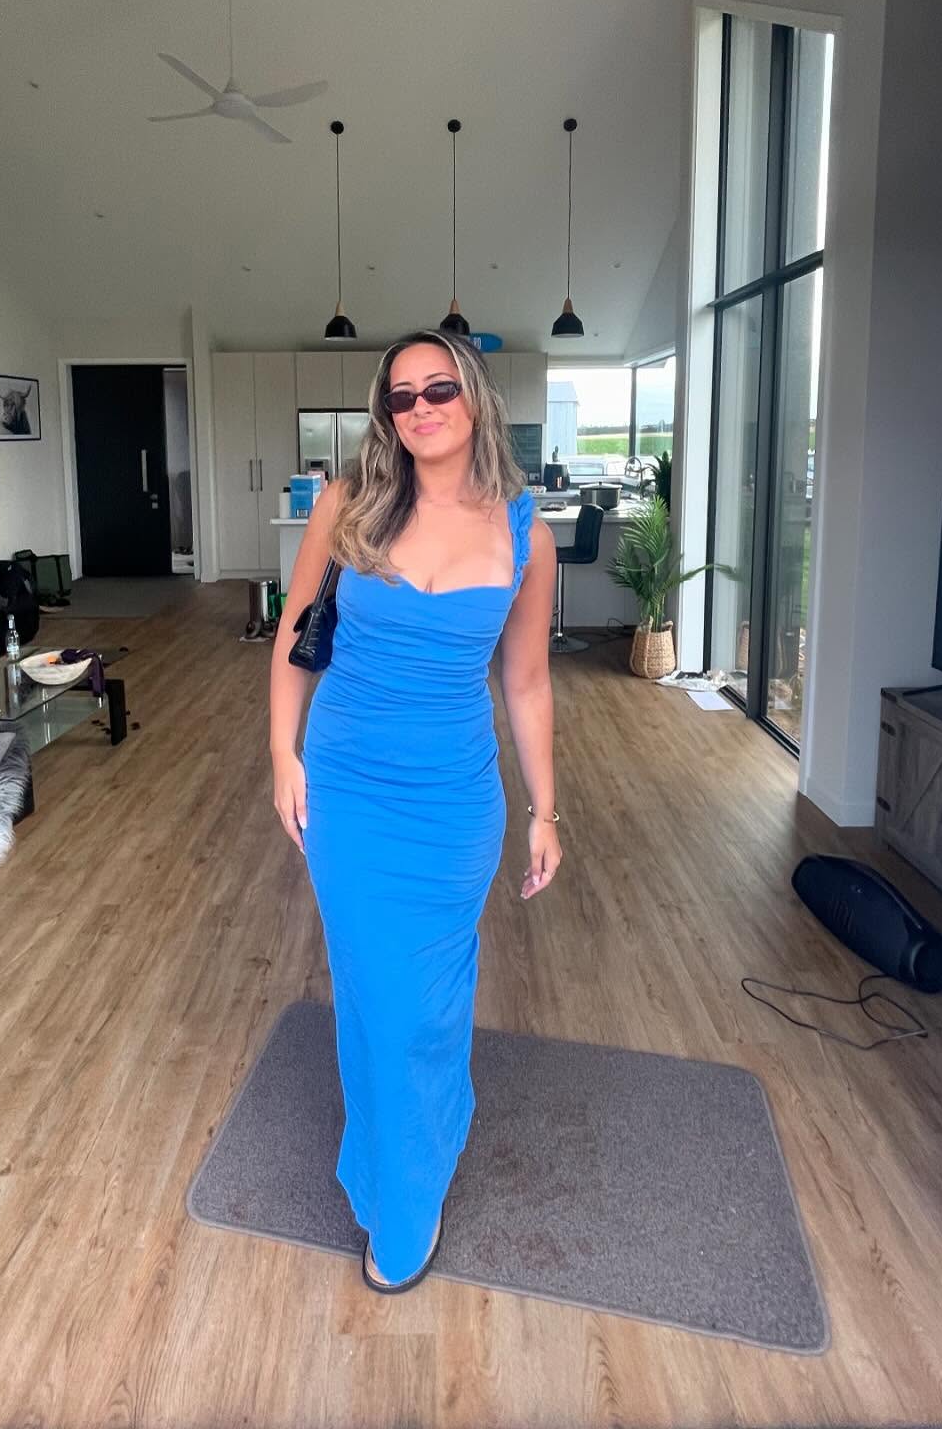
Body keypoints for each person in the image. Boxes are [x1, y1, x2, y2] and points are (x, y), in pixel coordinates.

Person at [268, 329, 561, 1293]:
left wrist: (546, 811)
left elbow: (526, 682)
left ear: (473, 396)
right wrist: (281, 754)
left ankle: (421, 1153)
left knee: (426, 1007)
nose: (421, 407)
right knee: (375, 999)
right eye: (401, 396)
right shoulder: (349, 504)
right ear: (385, 415)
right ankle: (400, 1196)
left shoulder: (525, 533)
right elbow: (296, 634)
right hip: (348, 792)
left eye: (439, 388)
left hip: (452, 806)